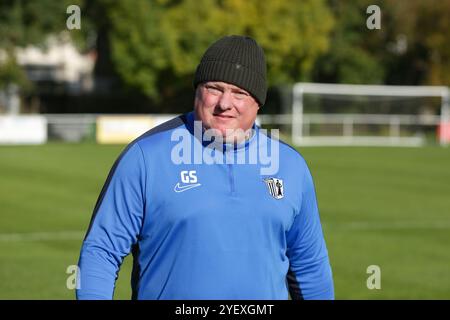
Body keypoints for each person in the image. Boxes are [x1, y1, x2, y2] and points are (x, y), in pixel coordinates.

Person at [76, 35, 334, 300]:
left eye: (239, 93)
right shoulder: (145, 157)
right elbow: (101, 252)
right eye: (214, 88)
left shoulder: (291, 166)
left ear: (258, 101)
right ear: (197, 90)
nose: (225, 103)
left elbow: (310, 266)